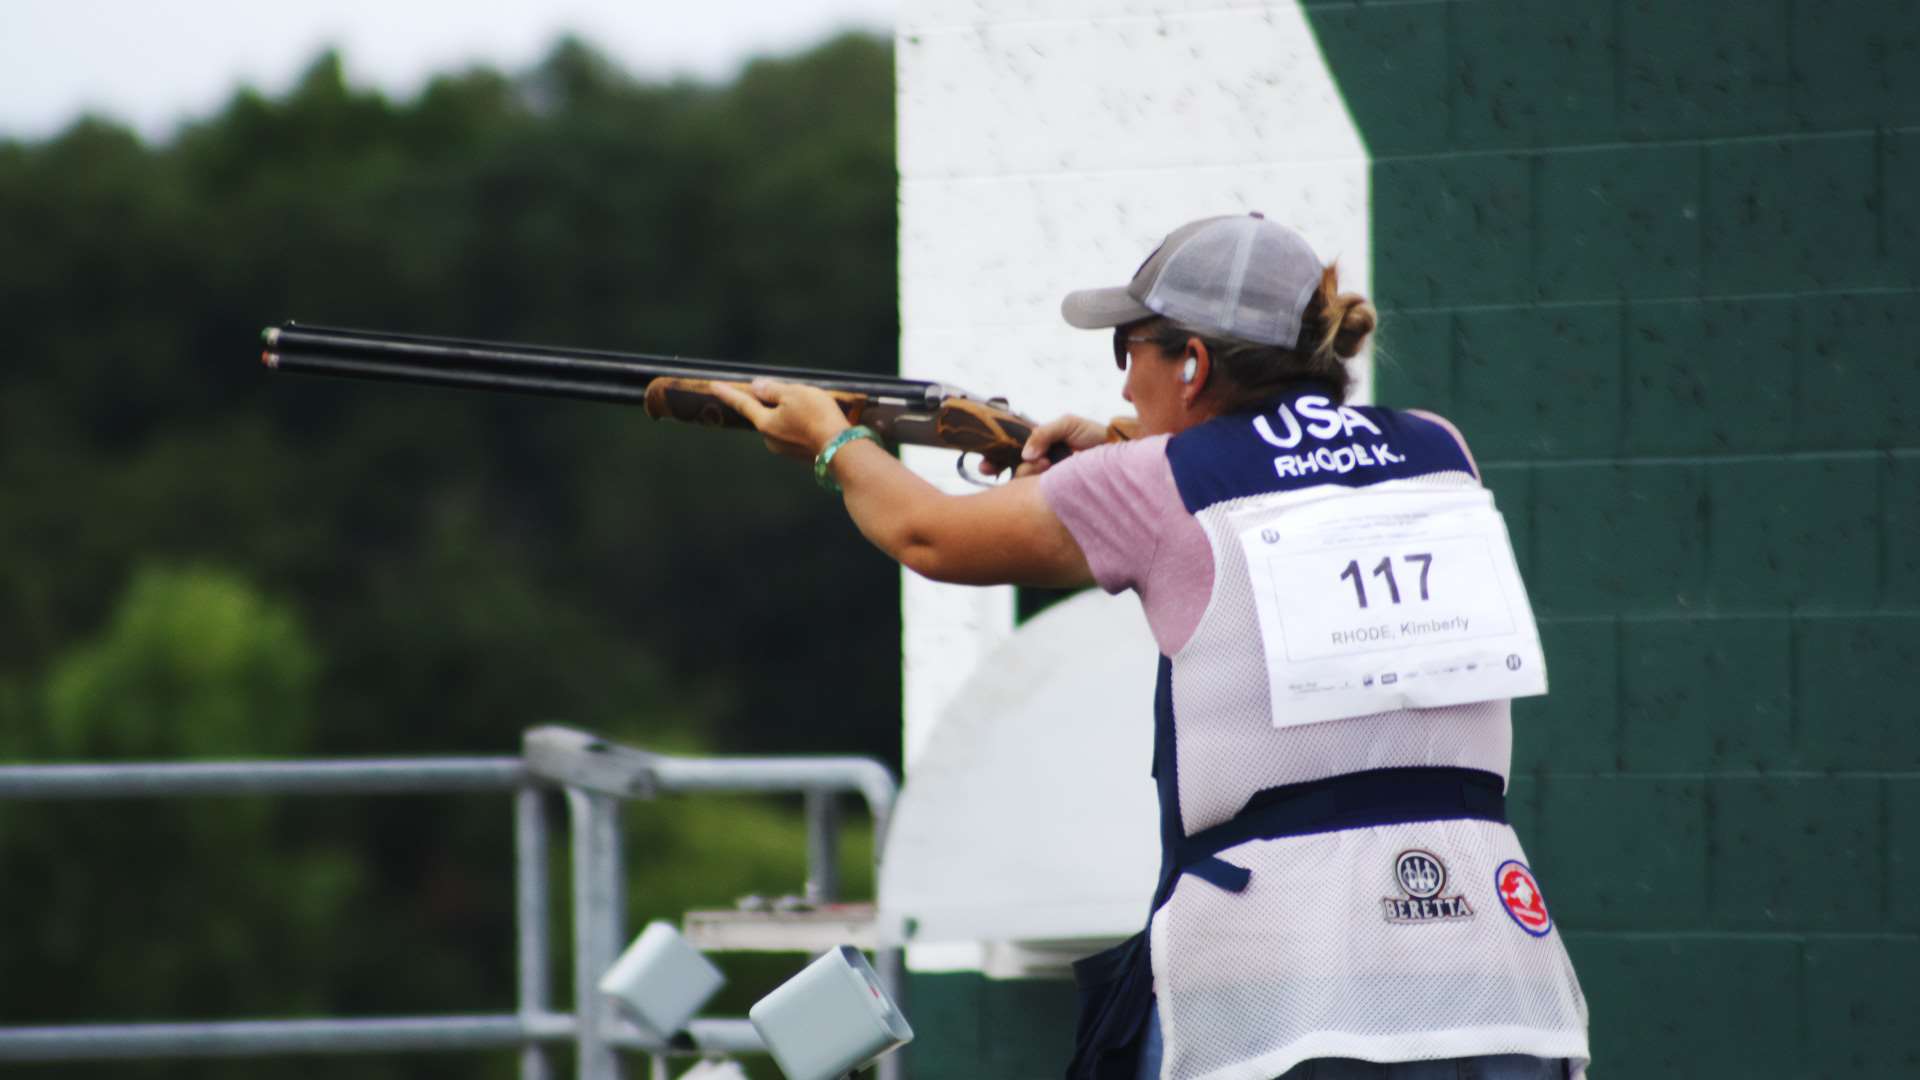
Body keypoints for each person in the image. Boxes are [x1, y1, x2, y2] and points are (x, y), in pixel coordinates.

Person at [712, 213, 1590, 1080]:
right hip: (1487, 963)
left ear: (1195, 362)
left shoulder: (1150, 482)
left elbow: (929, 535)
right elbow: (1287, 461)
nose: (1127, 386)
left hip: (1277, 992)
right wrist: (1120, 452)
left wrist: (834, 442)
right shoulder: (1438, 448)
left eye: (1130, 350)